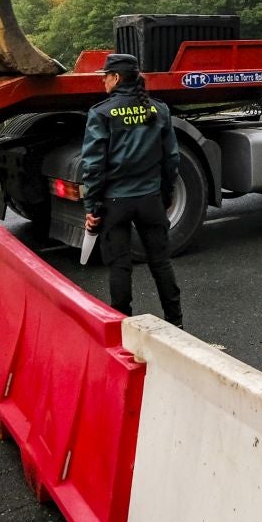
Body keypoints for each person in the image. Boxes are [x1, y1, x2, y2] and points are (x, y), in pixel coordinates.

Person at [80, 53, 184, 326]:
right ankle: (177, 323)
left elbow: (93, 165)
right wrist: (165, 195)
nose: (103, 80)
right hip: (150, 199)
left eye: (105, 75)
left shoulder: (101, 113)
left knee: (120, 265)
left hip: (115, 203)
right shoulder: (158, 109)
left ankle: (123, 326)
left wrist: (92, 207)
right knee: (161, 262)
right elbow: (172, 158)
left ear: (116, 78)